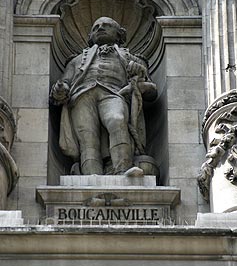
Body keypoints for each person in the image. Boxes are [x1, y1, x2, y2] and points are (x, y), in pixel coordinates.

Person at [50, 17, 157, 175]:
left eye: (106, 25)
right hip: (81, 96)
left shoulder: (132, 59)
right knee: (88, 137)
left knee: (117, 120)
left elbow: (152, 91)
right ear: (90, 37)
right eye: (96, 27)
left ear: (119, 34)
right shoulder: (76, 60)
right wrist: (61, 89)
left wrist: (140, 75)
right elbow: (64, 84)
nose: (100, 28)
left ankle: (123, 170)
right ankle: (91, 176)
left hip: (114, 94)